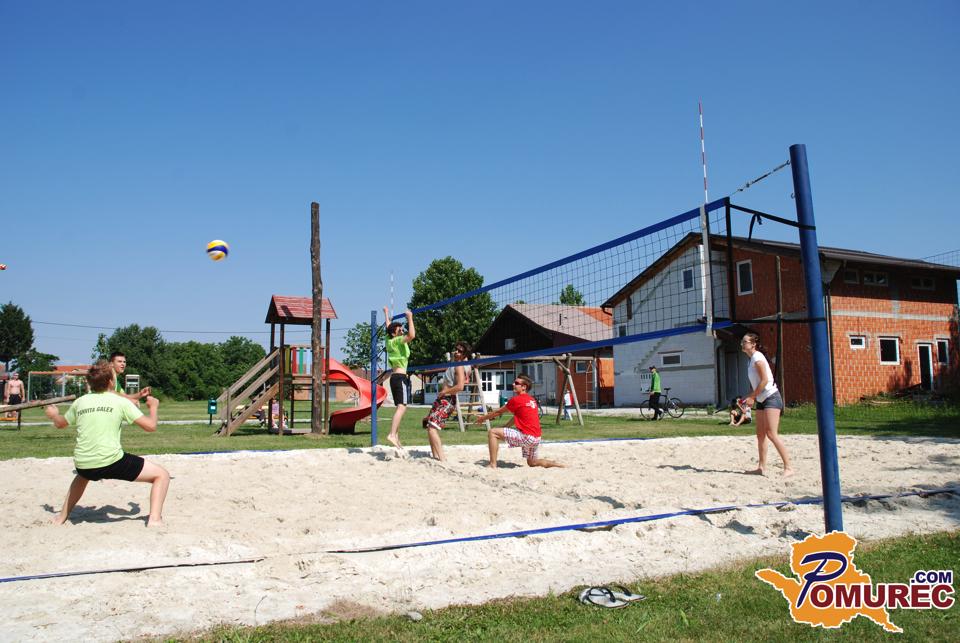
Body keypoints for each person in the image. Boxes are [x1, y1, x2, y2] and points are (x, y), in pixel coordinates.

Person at [43, 360, 170, 527]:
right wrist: (153, 407)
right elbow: (151, 426)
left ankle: (61, 517)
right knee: (162, 475)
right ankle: (155, 519)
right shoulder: (120, 402)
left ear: (90, 382)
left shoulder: (81, 402)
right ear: (111, 382)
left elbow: (60, 424)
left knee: (83, 476)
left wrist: (53, 415)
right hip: (111, 461)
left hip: (83, 464)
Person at [475, 374, 564, 469]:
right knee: (532, 463)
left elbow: (498, 412)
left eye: (516, 383)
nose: (513, 384)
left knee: (493, 432)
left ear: (524, 387)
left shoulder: (516, 400)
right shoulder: (531, 399)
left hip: (527, 437)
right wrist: (506, 426)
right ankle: (557, 465)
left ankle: (493, 464)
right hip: (536, 438)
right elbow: (517, 416)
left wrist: (483, 418)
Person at [740, 332, 794, 477]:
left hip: (771, 397)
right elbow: (756, 384)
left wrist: (752, 397)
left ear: (753, 344)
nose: (742, 344)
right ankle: (761, 467)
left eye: (745, 342)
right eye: (742, 341)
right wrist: (747, 397)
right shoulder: (750, 360)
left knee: (771, 433)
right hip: (761, 399)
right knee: (760, 434)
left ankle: (789, 467)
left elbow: (764, 381)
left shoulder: (757, 358)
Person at [422, 341, 472, 461]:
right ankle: (435, 456)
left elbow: (460, 386)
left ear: (464, 355)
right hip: (443, 398)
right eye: (456, 349)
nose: (456, 352)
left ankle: (442, 459)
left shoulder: (460, 366)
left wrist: (445, 392)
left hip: (448, 399)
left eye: (460, 351)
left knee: (432, 428)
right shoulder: (456, 364)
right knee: (429, 425)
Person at [383, 308, 415, 450]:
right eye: (400, 330)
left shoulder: (389, 340)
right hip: (400, 377)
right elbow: (412, 335)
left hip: (395, 378)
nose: (402, 331)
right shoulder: (397, 341)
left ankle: (395, 435)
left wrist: (386, 314)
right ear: (394, 333)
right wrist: (410, 317)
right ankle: (392, 434)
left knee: (400, 407)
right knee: (402, 407)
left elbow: (388, 327)